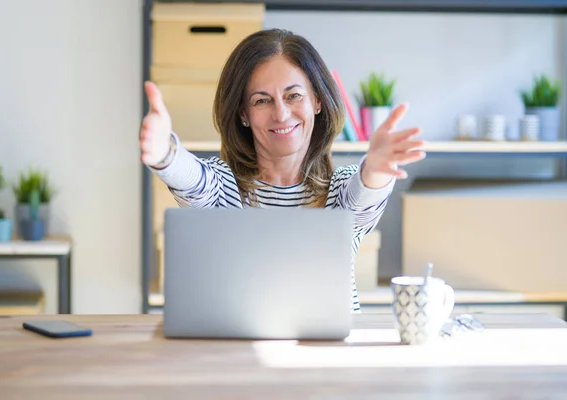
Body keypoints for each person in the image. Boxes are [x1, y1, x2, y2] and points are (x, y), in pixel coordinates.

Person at [139, 28, 426, 312]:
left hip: (332, 356)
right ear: (243, 114)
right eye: (262, 100)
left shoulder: (340, 192)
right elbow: (192, 180)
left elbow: (365, 194)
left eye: (293, 95)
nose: (281, 113)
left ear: (317, 101)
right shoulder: (221, 188)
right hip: (238, 354)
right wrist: (165, 153)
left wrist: (376, 169)